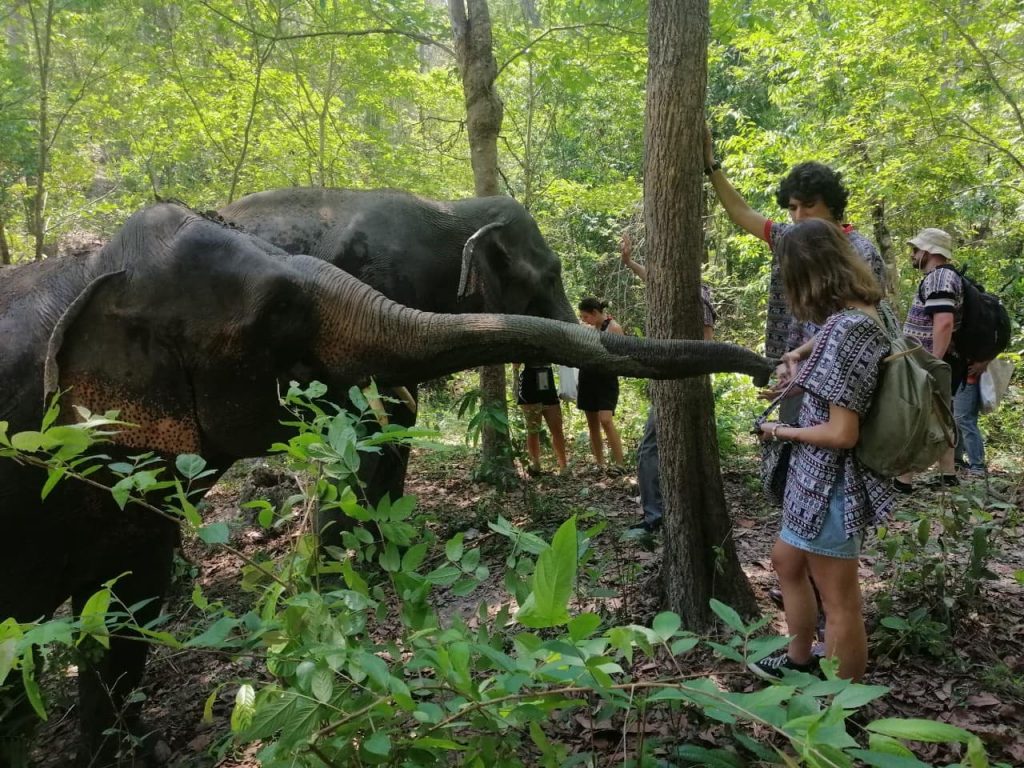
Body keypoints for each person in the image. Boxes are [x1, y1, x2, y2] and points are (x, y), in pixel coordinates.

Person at [753, 218, 894, 682]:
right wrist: (798, 360)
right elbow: (834, 336)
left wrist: (779, 431)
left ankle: (842, 707)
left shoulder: (848, 332)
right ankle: (799, 658)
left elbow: (841, 432)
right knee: (785, 560)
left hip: (833, 486)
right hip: (812, 483)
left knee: (840, 602)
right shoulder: (869, 312)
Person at [702, 125, 887, 365]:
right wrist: (710, 165)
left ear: (832, 205)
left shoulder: (860, 252)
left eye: (808, 205)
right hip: (791, 367)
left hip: (836, 372)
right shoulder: (789, 238)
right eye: (792, 208)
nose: (799, 216)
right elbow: (741, 212)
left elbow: (863, 319)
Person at [620, 233, 716, 531]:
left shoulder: (697, 295)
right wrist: (628, 262)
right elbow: (655, 280)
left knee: (651, 449)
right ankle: (665, 514)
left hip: (682, 385)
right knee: (662, 449)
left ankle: (655, 517)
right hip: (671, 383)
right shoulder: (683, 288)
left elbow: (707, 343)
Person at [893, 227, 964, 493]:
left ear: (929, 252)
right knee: (941, 415)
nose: (913, 255)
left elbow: (944, 322)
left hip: (929, 361)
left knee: (916, 416)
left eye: (916, 250)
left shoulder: (939, 278)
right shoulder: (944, 277)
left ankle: (904, 479)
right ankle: (948, 474)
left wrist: (933, 362)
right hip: (937, 361)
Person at [577, 297, 625, 468]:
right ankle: (600, 463)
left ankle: (620, 464)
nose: (584, 320)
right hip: (587, 377)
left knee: (605, 420)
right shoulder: (588, 328)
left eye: (585, 316)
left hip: (606, 380)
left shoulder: (614, 328)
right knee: (592, 424)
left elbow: (620, 357)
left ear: (595, 313)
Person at [513, 362, 568, 474]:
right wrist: (515, 379)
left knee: (557, 428)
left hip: (547, 378)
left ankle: (564, 466)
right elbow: (515, 363)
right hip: (529, 383)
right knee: (533, 429)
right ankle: (535, 465)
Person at [954, 363, 989, 478]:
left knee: (964, 420)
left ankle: (977, 465)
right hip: (955, 378)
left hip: (968, 379)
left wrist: (984, 363)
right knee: (955, 421)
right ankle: (957, 460)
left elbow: (999, 345)